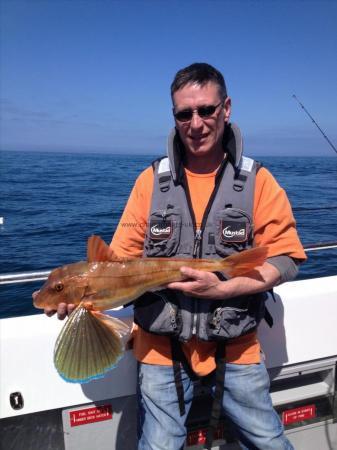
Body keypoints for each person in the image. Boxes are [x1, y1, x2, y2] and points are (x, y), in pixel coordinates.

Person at [48, 63, 307, 450]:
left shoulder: (257, 181)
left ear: (227, 108)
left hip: (235, 344)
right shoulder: (151, 181)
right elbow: (117, 262)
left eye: (206, 110)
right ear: (174, 116)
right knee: (159, 445)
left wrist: (224, 289)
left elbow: (286, 258)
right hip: (160, 348)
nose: (196, 123)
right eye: (184, 113)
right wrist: (83, 294)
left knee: (269, 441)